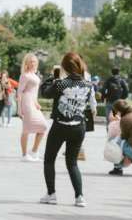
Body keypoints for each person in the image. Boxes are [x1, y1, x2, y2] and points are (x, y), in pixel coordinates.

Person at [39, 54, 95, 208]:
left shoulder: (61, 83)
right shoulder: (88, 84)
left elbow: (45, 93)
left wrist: (51, 77)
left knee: (49, 159)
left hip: (60, 125)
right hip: (79, 126)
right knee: (72, 162)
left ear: (64, 67)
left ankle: (51, 194)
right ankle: (79, 196)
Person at [17, 53, 48, 162]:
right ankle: (24, 155)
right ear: (26, 63)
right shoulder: (25, 75)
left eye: (35, 61)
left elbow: (34, 92)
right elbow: (19, 92)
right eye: (31, 61)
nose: (33, 63)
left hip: (33, 103)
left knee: (43, 126)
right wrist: (19, 109)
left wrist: (36, 102)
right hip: (26, 103)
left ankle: (34, 152)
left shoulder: (35, 75)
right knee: (26, 129)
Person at [103, 68, 130, 176]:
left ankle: (111, 132)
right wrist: (121, 98)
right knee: (117, 120)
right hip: (119, 102)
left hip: (111, 103)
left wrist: (105, 97)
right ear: (119, 72)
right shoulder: (122, 80)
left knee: (113, 121)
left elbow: (103, 90)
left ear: (112, 72)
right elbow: (126, 91)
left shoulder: (109, 80)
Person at [110, 99, 132, 173]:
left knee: (116, 142)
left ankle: (117, 168)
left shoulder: (125, 119)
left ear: (119, 111)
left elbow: (124, 137)